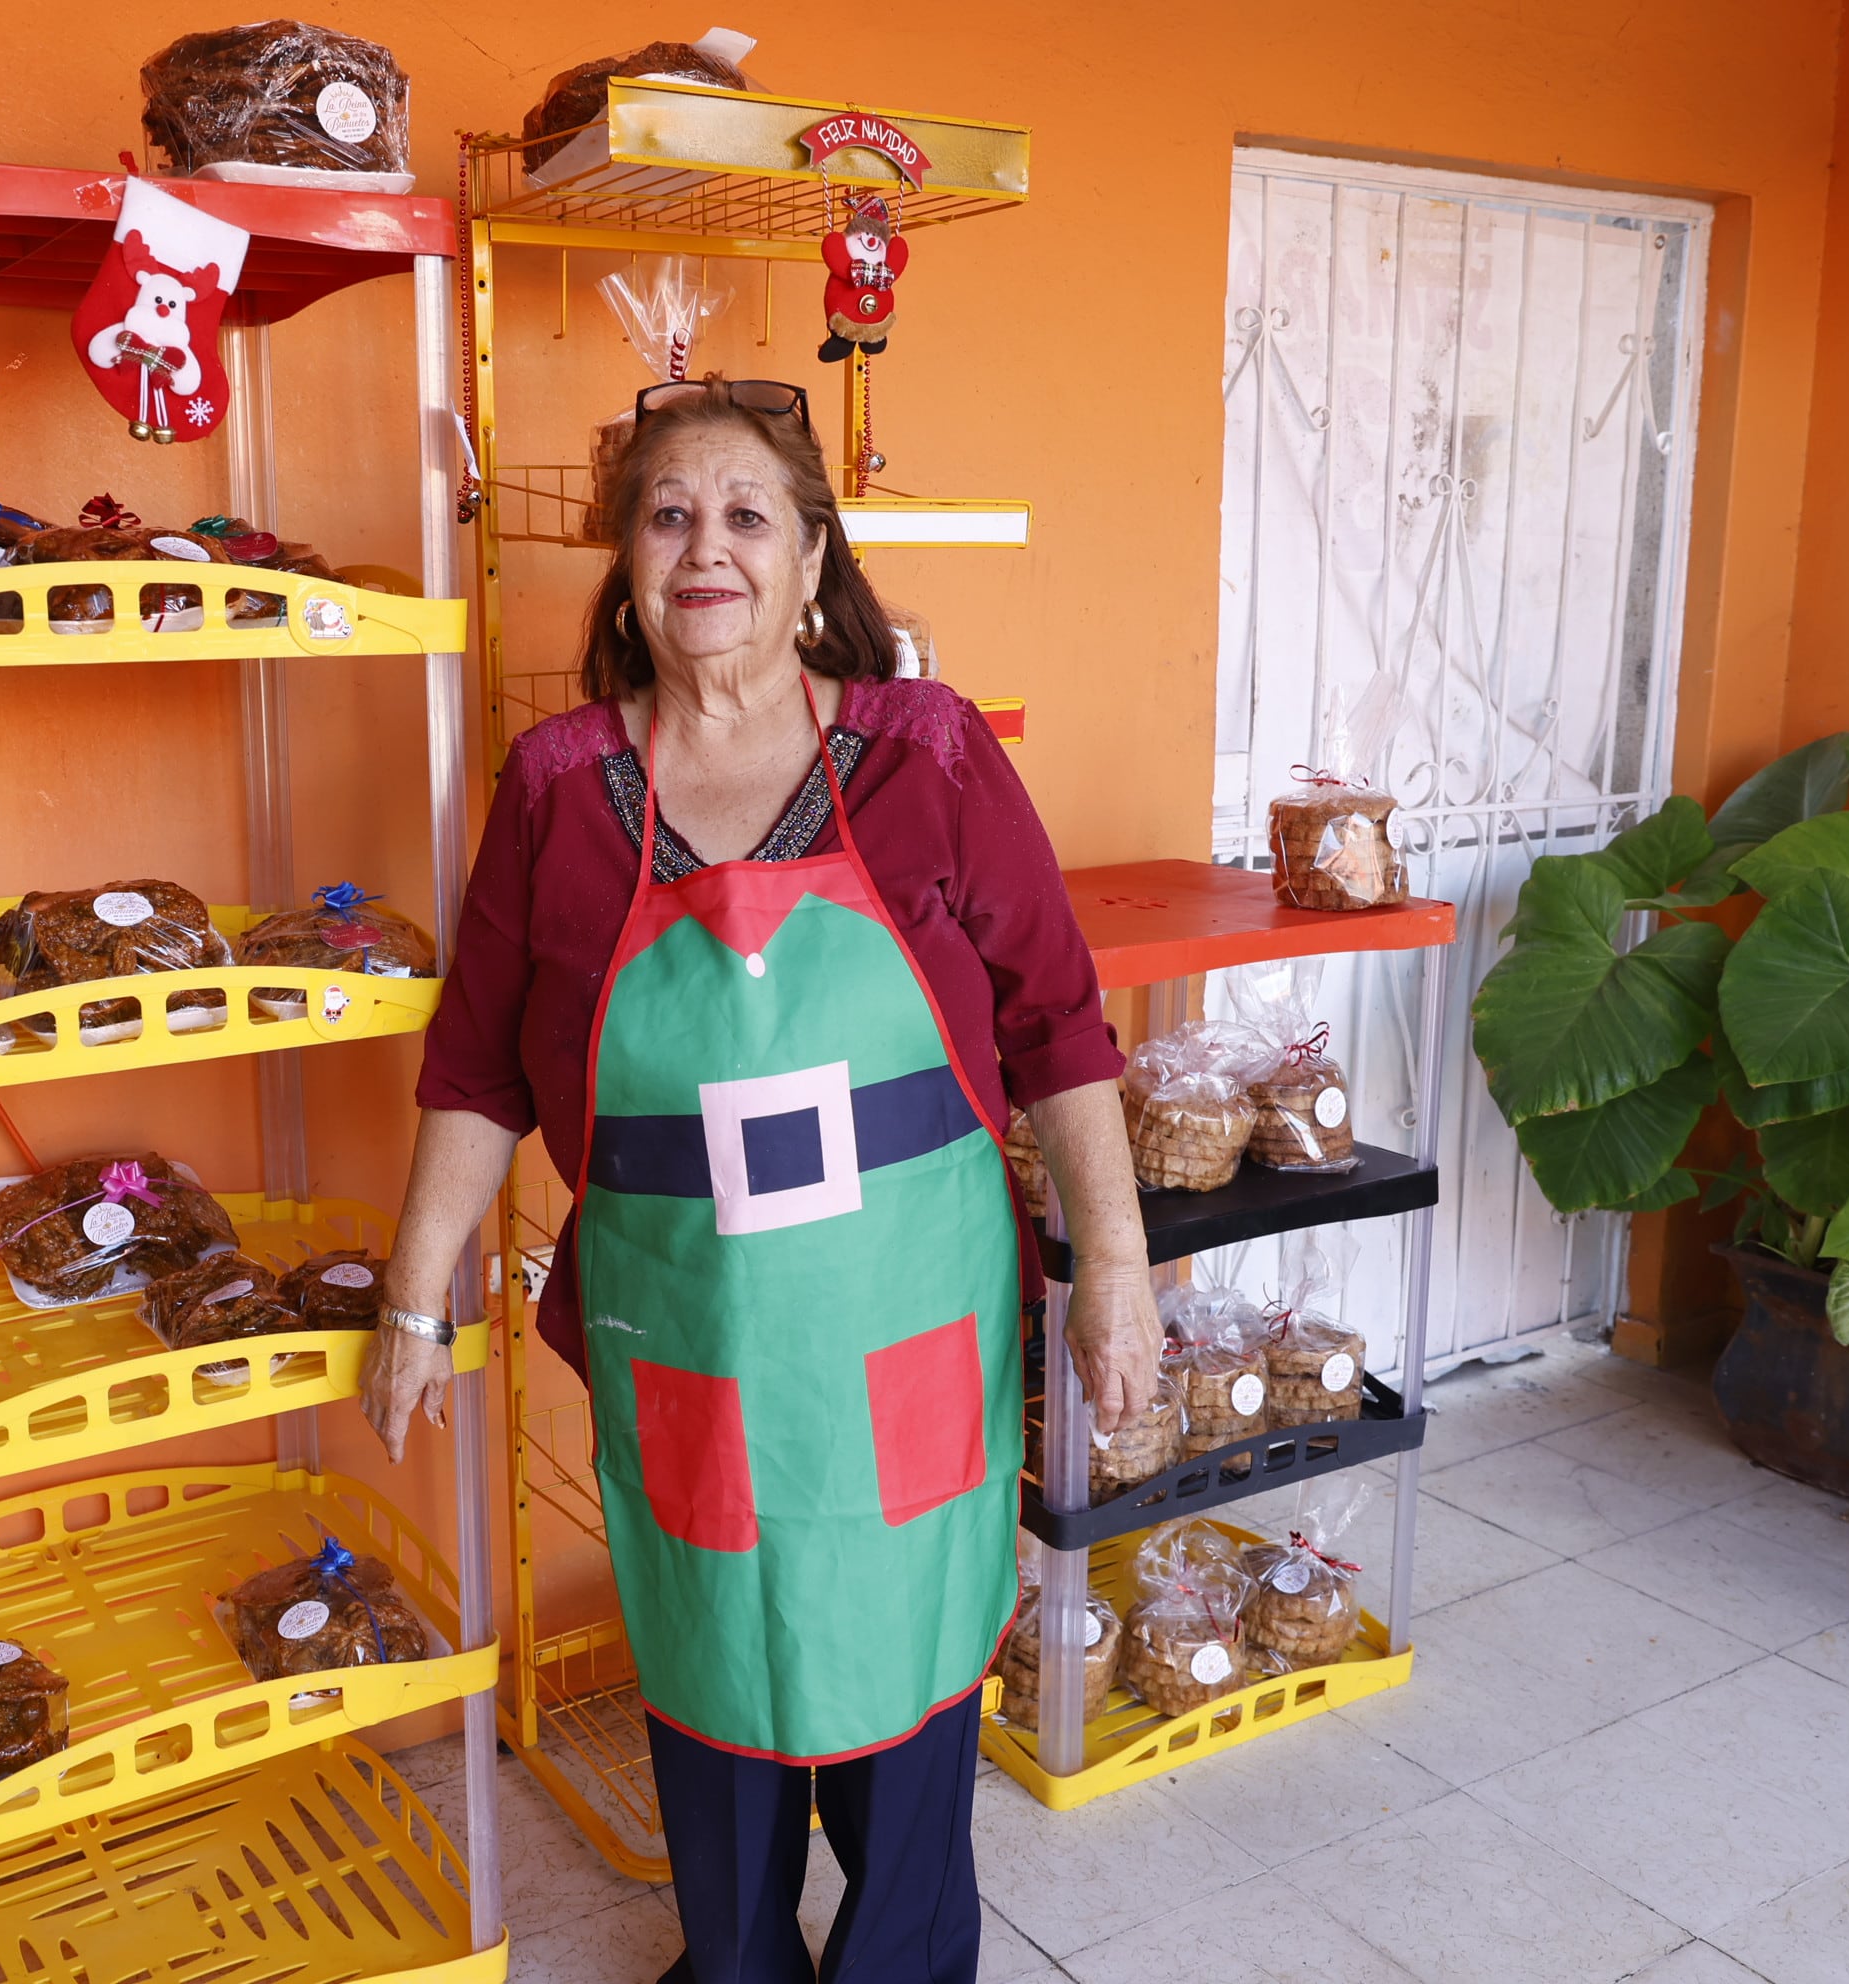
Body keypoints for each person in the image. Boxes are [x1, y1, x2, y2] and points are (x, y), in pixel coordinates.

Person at [360, 375, 1162, 1984]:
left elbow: (1060, 1025)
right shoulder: (557, 790)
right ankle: (735, 1967)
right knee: (720, 1671)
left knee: (907, 1663)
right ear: (626, 564)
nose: (704, 547)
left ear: (811, 563)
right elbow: (475, 1071)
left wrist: (1116, 1272)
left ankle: (904, 1963)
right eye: (668, 514)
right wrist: (407, 1296)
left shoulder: (924, 756)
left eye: (745, 516)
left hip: (910, 1336)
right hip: (694, 1351)